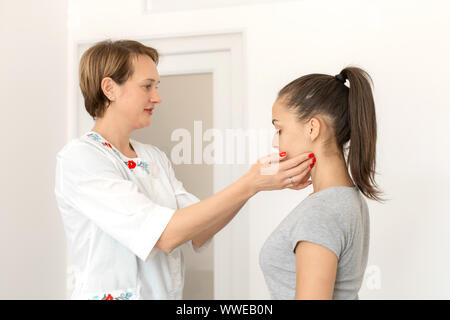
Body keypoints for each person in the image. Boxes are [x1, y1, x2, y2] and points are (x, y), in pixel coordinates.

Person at [54, 39, 315, 300]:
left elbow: (200, 231)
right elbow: (165, 236)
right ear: (110, 88)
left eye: (156, 87)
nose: (157, 97)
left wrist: (255, 185)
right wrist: (251, 182)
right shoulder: (81, 159)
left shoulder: (152, 157)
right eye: (147, 86)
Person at [259, 67, 384, 300]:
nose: (275, 142)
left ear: (312, 128)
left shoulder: (321, 211)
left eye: (279, 129)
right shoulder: (347, 198)